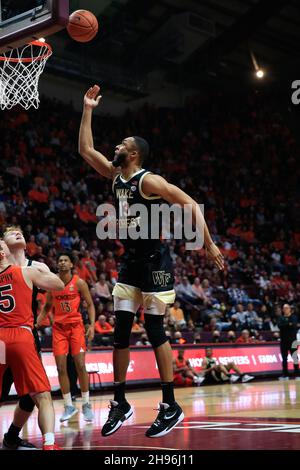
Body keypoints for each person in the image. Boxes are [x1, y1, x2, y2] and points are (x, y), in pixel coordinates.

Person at [79, 84, 224, 438]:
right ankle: (120, 402)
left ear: (134, 154)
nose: (115, 146)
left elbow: (189, 202)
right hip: (131, 260)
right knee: (121, 333)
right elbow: (85, 150)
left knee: (156, 329)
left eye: (121, 145)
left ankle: (170, 404)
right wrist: (87, 109)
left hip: (156, 260)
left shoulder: (150, 181)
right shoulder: (116, 178)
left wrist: (208, 243)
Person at [0, 239, 64, 450]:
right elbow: (59, 285)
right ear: (4, 253)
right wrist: (39, 270)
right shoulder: (26, 272)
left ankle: (11, 437)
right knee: (42, 395)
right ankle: (49, 444)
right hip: (21, 336)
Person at [37, 253, 95, 422]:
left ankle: (86, 404)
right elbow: (47, 306)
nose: (62, 263)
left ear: (71, 265)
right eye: (60, 260)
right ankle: (69, 406)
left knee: (81, 365)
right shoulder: (52, 284)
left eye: (65, 260)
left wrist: (90, 325)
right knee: (61, 368)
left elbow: (90, 304)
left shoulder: (79, 283)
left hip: (76, 327)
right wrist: (35, 323)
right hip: (59, 329)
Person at [278, 304, 299, 380]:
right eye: (284, 308)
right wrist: (288, 324)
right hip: (283, 341)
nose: (285, 309)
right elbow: (280, 326)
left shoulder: (294, 317)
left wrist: (287, 325)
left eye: (287, 308)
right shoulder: (280, 317)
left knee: (295, 357)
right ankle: (285, 374)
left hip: (293, 341)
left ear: (290, 309)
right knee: (284, 358)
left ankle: (297, 374)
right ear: (282, 310)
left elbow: (294, 325)